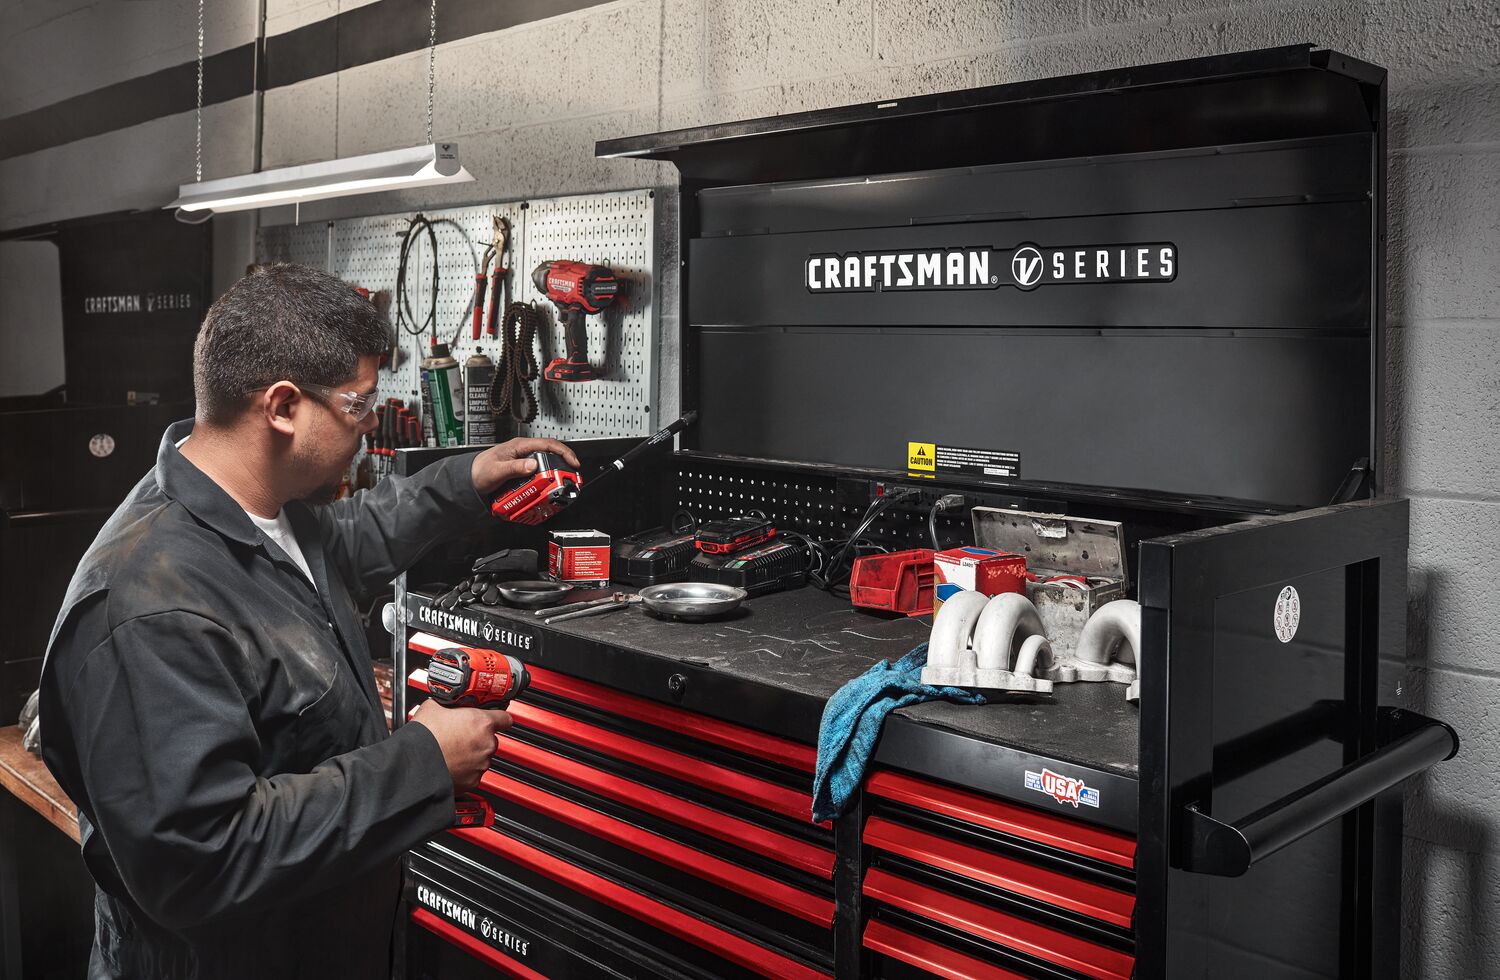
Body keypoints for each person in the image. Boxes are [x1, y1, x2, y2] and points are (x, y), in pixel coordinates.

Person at [38, 263, 579, 979]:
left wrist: (464, 481)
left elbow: (349, 542)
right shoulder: (149, 607)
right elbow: (201, 860)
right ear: (284, 406)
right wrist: (422, 762)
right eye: (359, 405)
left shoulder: (260, 512)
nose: (370, 424)